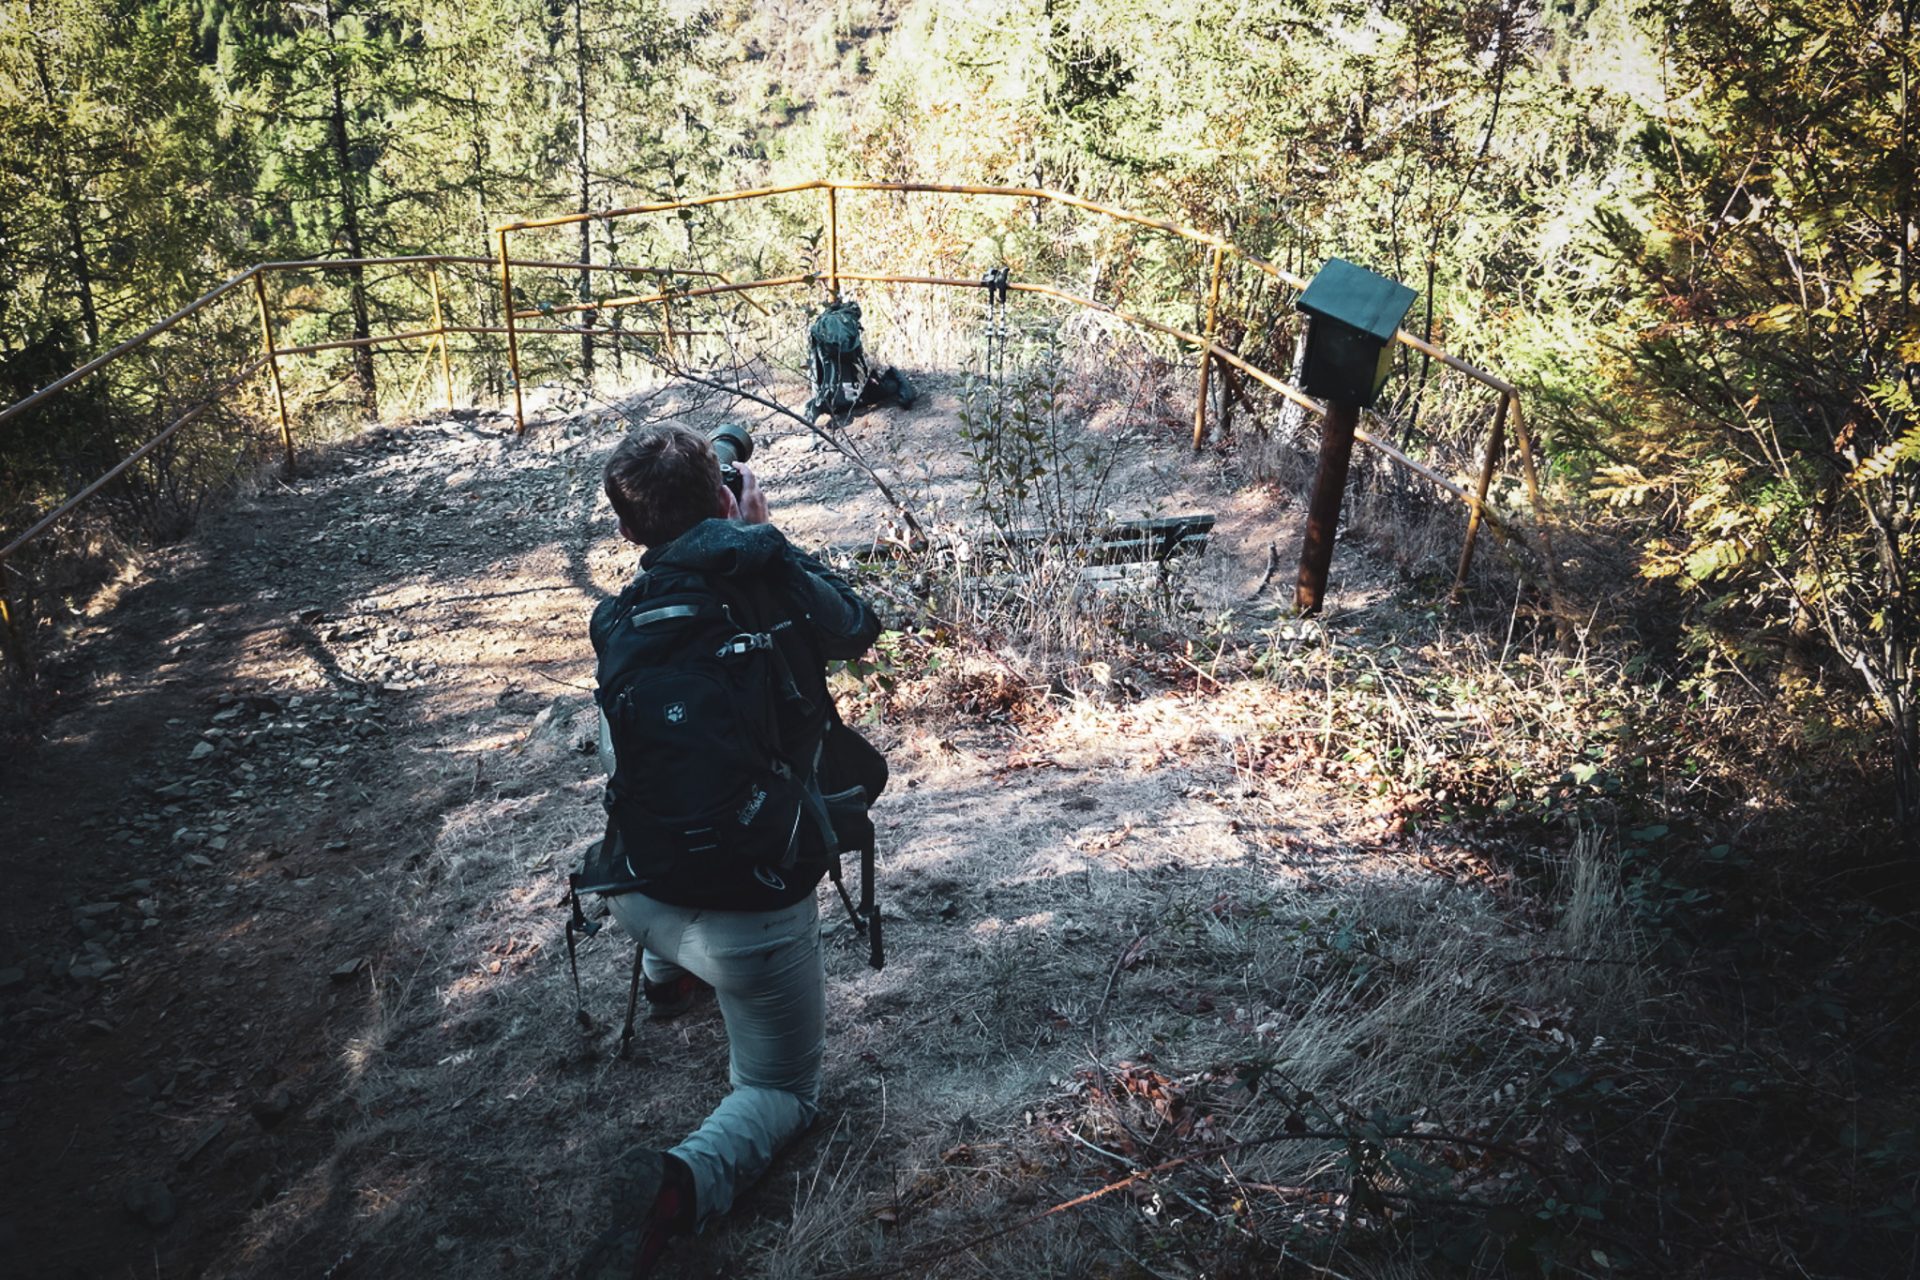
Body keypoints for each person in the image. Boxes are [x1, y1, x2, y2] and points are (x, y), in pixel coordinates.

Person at [579, 424, 882, 1278]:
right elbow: (860, 626)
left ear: (627, 532)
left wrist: (723, 531)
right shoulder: (772, 589)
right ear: (725, 496)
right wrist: (760, 536)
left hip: (637, 890)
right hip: (752, 912)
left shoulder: (616, 619)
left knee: (658, 786)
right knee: (781, 1091)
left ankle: (668, 981)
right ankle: (682, 1183)